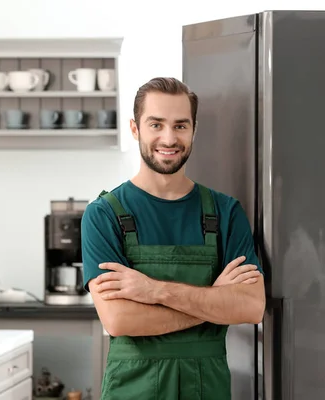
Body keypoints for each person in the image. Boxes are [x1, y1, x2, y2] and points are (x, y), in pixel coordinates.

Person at [81, 77, 266, 400]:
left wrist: (154, 290)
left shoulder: (225, 212)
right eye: (156, 124)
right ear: (135, 128)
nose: (169, 138)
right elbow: (120, 320)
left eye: (180, 126)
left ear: (194, 129)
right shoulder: (104, 215)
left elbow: (250, 307)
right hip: (132, 389)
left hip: (207, 388)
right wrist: (213, 302)